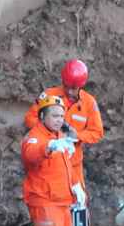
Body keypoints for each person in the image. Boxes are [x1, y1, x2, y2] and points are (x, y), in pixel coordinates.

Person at [21, 94, 86, 226]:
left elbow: (66, 167)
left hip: (63, 201)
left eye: (62, 116)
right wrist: (49, 147)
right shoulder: (35, 137)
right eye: (55, 116)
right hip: (45, 201)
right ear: (42, 116)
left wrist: (76, 185)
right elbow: (30, 154)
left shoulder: (60, 138)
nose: (59, 120)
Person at [24, 59, 103, 190]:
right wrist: (51, 134)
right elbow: (30, 119)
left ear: (81, 86)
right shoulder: (49, 95)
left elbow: (97, 133)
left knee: (79, 204)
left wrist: (76, 135)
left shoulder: (89, 103)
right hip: (49, 163)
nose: (70, 92)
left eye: (73, 88)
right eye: (66, 86)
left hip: (74, 165)